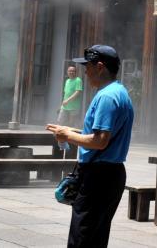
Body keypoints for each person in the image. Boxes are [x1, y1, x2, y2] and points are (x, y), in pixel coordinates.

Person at [46, 45, 134, 248]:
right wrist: (73, 132)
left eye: (88, 67)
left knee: (82, 237)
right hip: (109, 174)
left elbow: (100, 140)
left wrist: (67, 135)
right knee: (95, 237)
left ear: (100, 67)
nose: (85, 72)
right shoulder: (119, 92)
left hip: (98, 177)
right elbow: (102, 137)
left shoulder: (106, 97)